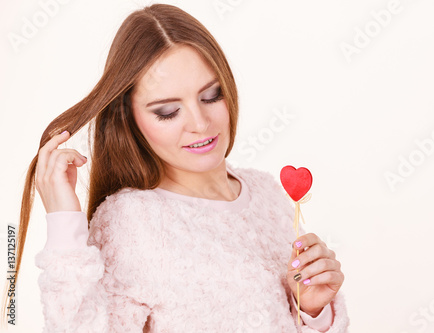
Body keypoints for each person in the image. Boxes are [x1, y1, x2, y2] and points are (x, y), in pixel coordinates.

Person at [3, 4, 349, 332]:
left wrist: (313, 310)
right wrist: (64, 226)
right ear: (131, 120)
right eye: (168, 111)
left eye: (211, 95)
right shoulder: (131, 221)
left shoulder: (267, 193)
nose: (200, 123)